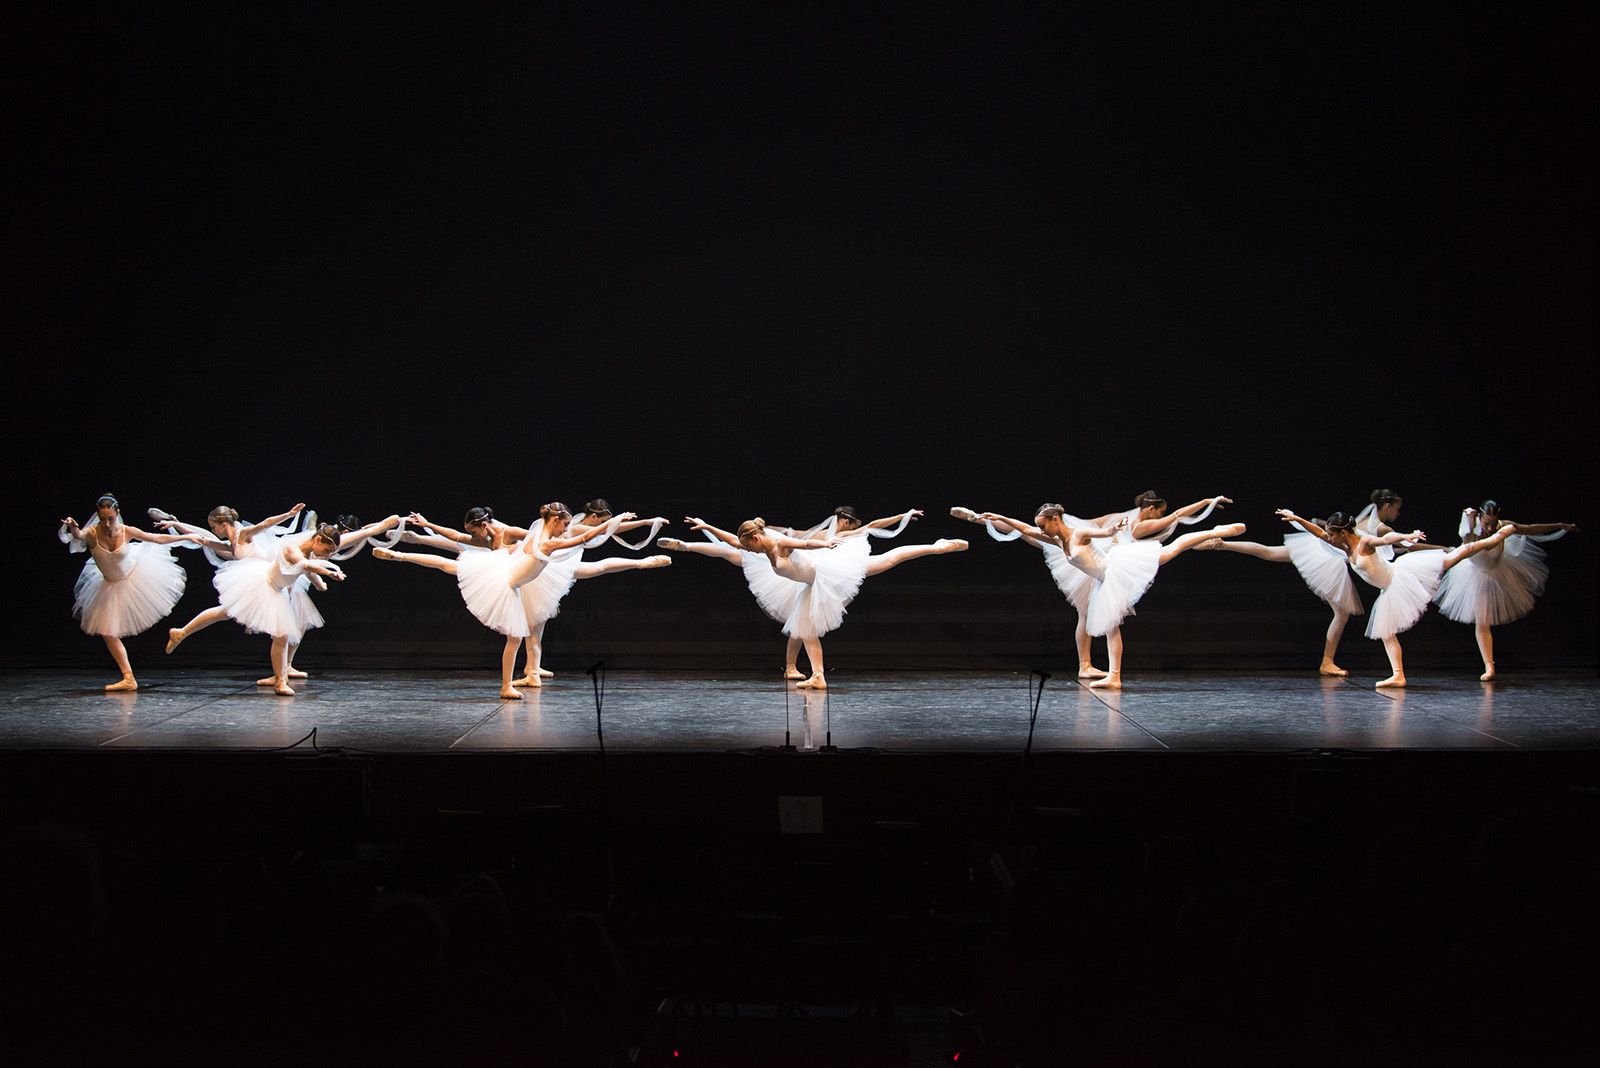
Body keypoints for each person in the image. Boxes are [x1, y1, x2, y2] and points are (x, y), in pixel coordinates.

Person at [660, 508, 966, 687]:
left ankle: (937, 546)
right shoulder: (759, 544)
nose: (748, 550)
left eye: (748, 545)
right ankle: (796, 670)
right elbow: (732, 542)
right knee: (800, 624)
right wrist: (706, 528)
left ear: (756, 538)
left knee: (885, 561)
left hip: (824, 572)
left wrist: (824, 548)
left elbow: (802, 545)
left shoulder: (778, 542)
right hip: (806, 581)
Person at [975, 505, 1246, 689]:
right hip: (1102, 581)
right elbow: (1025, 529)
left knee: (1170, 550)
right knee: (1110, 626)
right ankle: (1114, 676)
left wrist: (1114, 530)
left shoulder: (1079, 534)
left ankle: (1215, 531)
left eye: (1044, 525)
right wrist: (999, 516)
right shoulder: (1058, 540)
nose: (1042, 530)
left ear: (1056, 520)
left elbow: (1103, 532)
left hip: (1115, 569)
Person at [374, 503, 629, 697]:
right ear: (553, 520)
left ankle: (508, 685)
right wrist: (614, 522)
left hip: (511, 575)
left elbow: (574, 537)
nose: (566, 529)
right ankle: (399, 555)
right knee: (454, 567)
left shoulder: (531, 535)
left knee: (453, 568)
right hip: (507, 580)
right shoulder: (546, 544)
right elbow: (584, 538)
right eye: (563, 525)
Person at [1273, 508, 1520, 688]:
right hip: (1388, 589)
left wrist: (1405, 536)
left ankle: (1494, 539)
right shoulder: (1344, 546)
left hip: (1399, 577)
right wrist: (1297, 518)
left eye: (1332, 533)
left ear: (1342, 532)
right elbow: (1319, 534)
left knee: (1452, 558)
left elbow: (1385, 539)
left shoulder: (1364, 542)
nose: (1329, 537)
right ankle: (1398, 675)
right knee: (1387, 632)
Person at [58, 494, 207, 691]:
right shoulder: (92, 533)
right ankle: (128, 677)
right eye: (103, 519)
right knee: (108, 632)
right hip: (109, 585)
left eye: (111, 518)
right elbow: (78, 536)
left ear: (117, 514)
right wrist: (73, 527)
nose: (108, 523)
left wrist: (186, 536)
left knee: (113, 630)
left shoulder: (126, 531)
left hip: (133, 577)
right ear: (98, 516)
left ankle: (133, 674)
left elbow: (156, 538)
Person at [1192, 512, 1365, 676]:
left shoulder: (1359, 527)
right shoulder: (1367, 529)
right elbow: (1325, 532)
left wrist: (1298, 519)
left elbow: (1322, 530)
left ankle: (1222, 544)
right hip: (1328, 558)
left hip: (1319, 549)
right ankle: (1327, 662)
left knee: (1270, 552)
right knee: (1341, 613)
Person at [1433, 502, 1577, 680]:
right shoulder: (1472, 530)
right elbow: (1468, 545)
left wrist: (1559, 526)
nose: (1491, 527)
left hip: (1499, 571)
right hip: (1475, 575)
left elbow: (1531, 529)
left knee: (1486, 621)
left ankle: (1492, 665)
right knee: (1482, 622)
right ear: (1480, 517)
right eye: (1487, 523)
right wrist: (1470, 526)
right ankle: (1489, 667)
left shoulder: (1503, 526)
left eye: (1494, 523)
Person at [212, 522, 353, 695]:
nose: (327, 555)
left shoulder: (307, 552)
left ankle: (279, 678)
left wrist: (320, 584)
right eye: (327, 550)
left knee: (282, 637)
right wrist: (330, 573)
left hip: (279, 591)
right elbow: (306, 566)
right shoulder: (293, 549)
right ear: (317, 539)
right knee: (227, 612)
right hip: (265, 587)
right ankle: (279, 680)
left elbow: (309, 571)